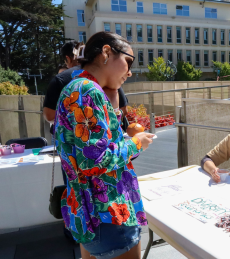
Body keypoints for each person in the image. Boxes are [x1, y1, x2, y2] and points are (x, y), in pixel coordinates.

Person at [54, 31, 154, 259]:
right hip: (107, 213)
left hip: (89, 214)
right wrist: (137, 143)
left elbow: (94, 149)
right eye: (128, 61)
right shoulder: (87, 91)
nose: (130, 72)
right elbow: (96, 160)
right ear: (106, 53)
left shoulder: (78, 88)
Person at [43, 41, 129, 125]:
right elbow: (123, 110)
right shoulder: (107, 77)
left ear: (68, 59)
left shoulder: (61, 79)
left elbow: (49, 116)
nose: (129, 73)